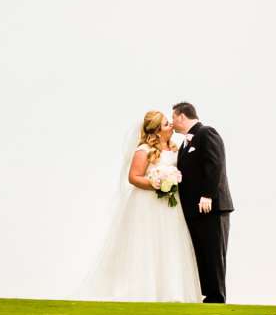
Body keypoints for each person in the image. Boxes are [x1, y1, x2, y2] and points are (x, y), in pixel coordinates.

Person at [83, 109, 201, 301]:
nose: (170, 125)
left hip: (170, 205)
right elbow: (134, 177)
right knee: (147, 244)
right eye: (165, 124)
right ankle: (143, 290)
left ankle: (171, 291)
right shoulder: (144, 150)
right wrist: (156, 183)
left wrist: (171, 182)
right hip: (147, 204)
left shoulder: (175, 149)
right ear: (155, 131)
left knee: (171, 243)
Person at [171, 101, 233, 303]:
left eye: (173, 117)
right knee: (201, 252)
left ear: (181, 116)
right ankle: (208, 295)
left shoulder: (207, 133)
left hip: (212, 207)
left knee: (214, 253)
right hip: (194, 210)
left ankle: (217, 296)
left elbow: (215, 164)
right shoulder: (184, 144)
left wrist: (207, 195)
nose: (172, 122)